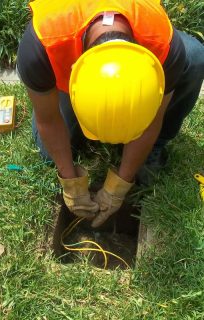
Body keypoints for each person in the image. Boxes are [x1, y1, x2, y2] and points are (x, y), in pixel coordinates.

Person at [17, 0, 204, 228]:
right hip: (63, 53)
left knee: (194, 57)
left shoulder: (164, 48)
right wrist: (70, 181)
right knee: (50, 154)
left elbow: (152, 120)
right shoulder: (41, 43)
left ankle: (155, 148)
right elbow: (48, 120)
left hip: (150, 45)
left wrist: (120, 185)